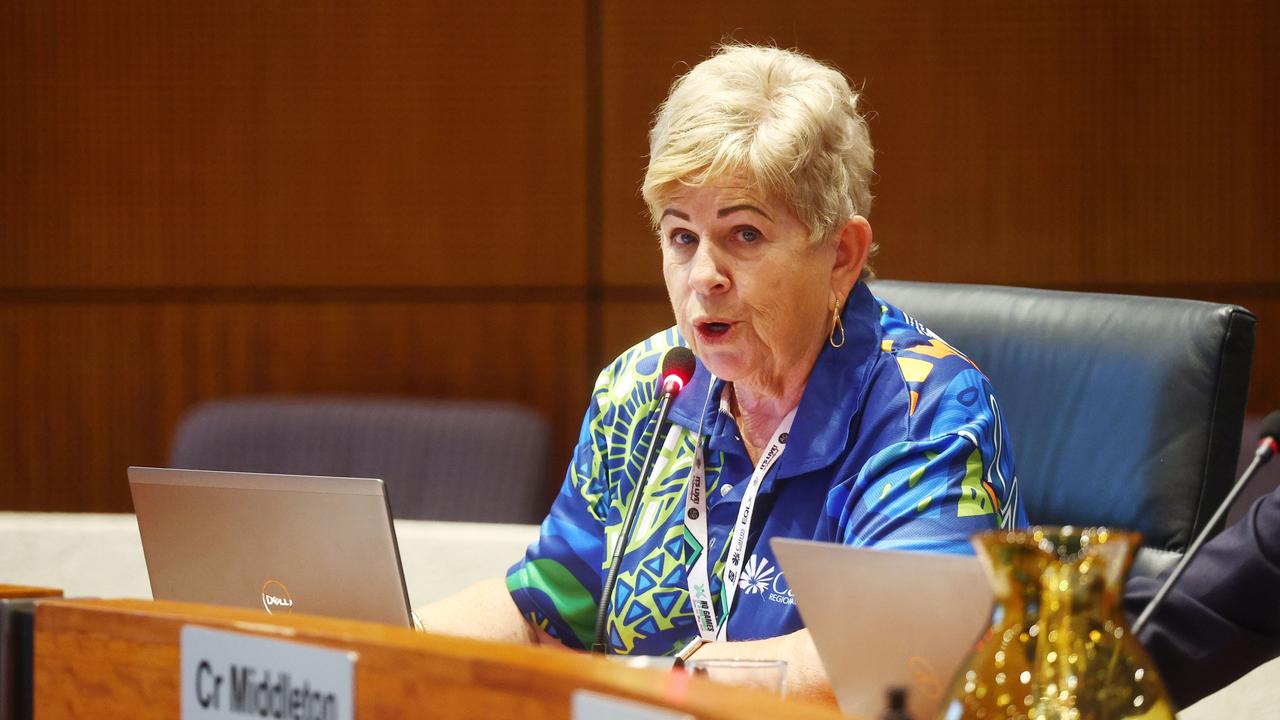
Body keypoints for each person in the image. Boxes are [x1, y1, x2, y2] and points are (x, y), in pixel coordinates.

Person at [420, 44, 1026, 701]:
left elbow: (902, 658)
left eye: (744, 235)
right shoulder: (644, 388)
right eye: (682, 236)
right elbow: (546, 612)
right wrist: (377, 646)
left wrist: (658, 688)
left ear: (842, 255)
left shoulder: (919, 410)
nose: (702, 276)